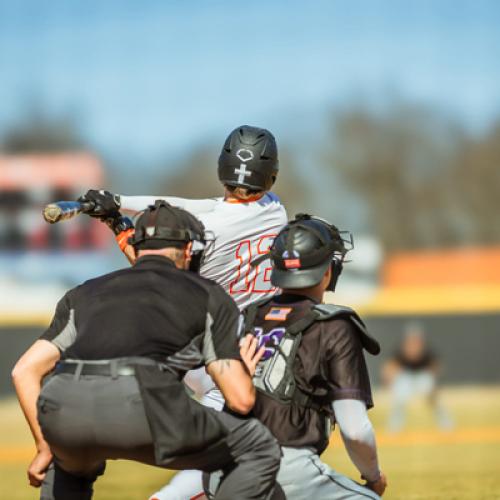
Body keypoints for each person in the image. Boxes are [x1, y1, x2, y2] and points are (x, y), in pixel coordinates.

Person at [12, 200, 283, 500]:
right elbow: (240, 400)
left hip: (64, 402)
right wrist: (244, 370)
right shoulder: (208, 294)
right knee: (258, 448)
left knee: (66, 463)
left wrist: (45, 445)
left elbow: (24, 371)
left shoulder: (82, 293)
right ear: (190, 250)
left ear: (137, 247)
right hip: (143, 400)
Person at [79, 125, 287, 499]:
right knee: (235, 449)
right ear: (269, 173)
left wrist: (117, 218)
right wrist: (120, 201)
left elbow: (154, 265)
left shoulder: (207, 225)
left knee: (236, 453)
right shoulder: (275, 211)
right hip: (242, 351)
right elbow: (196, 206)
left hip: (201, 350)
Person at [208, 214, 388, 499]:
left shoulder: (247, 316)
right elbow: (354, 430)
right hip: (280, 465)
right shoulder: (333, 325)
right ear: (329, 270)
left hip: (219, 464)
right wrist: (373, 476)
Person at [382, 322, 453, 432]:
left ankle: (445, 423)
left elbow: (436, 367)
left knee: (433, 399)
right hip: (406, 376)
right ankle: (395, 426)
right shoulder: (400, 350)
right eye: (411, 338)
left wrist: (434, 383)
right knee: (399, 399)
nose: (414, 341)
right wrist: (389, 381)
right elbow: (389, 367)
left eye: (416, 339)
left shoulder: (427, 350)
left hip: (422, 375)